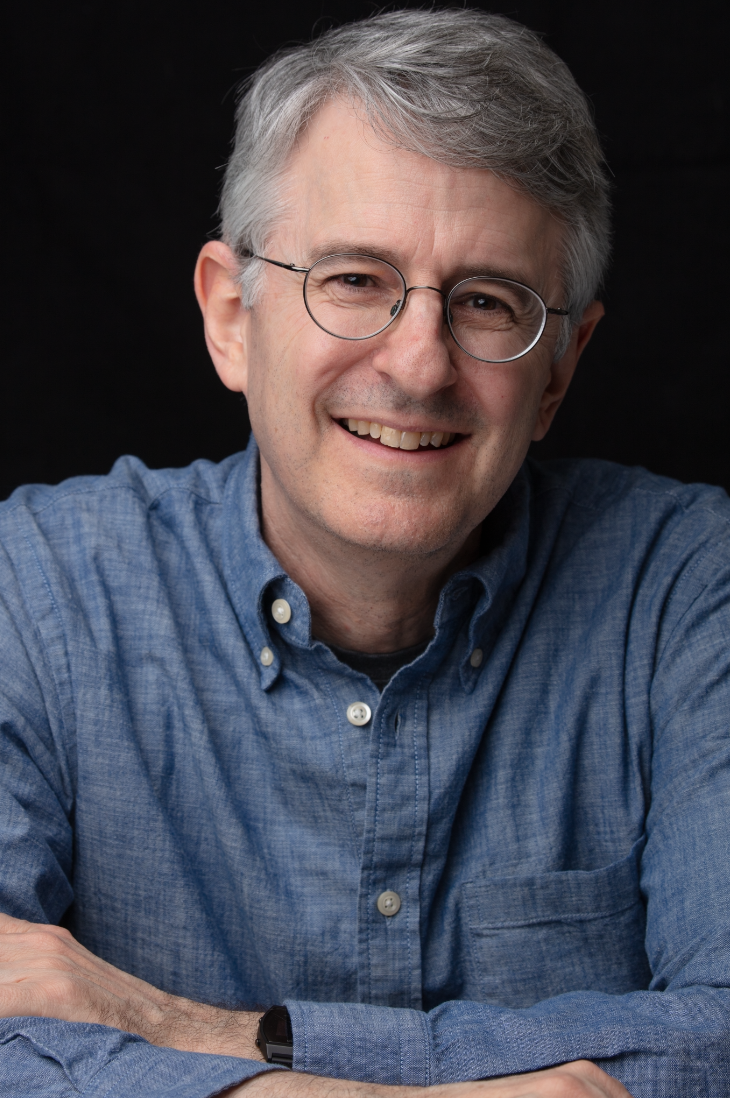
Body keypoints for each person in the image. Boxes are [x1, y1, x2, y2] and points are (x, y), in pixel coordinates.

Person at [0, 8, 727, 1097]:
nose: (419, 363)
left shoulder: (685, 588)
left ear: (561, 371)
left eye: (488, 302)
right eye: (352, 281)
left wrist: (184, 1031)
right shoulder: (33, 589)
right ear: (230, 319)